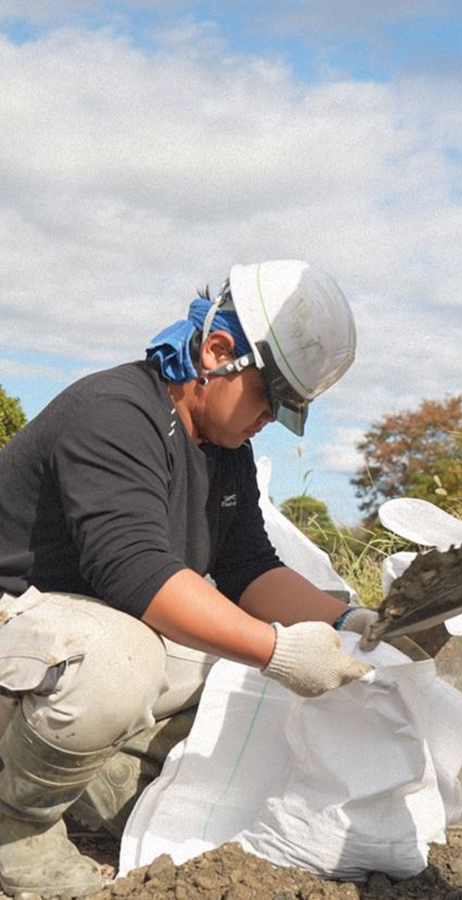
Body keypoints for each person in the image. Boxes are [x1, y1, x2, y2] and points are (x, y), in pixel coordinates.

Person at [0, 258, 379, 898]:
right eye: (271, 398)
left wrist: (347, 622)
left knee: (225, 677)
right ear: (217, 350)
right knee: (127, 658)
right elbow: (136, 572)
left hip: (61, 644)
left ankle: (74, 783)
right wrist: (278, 650)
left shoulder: (224, 453)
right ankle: (15, 832)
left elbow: (249, 570)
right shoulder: (116, 414)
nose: (271, 421)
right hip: (20, 629)